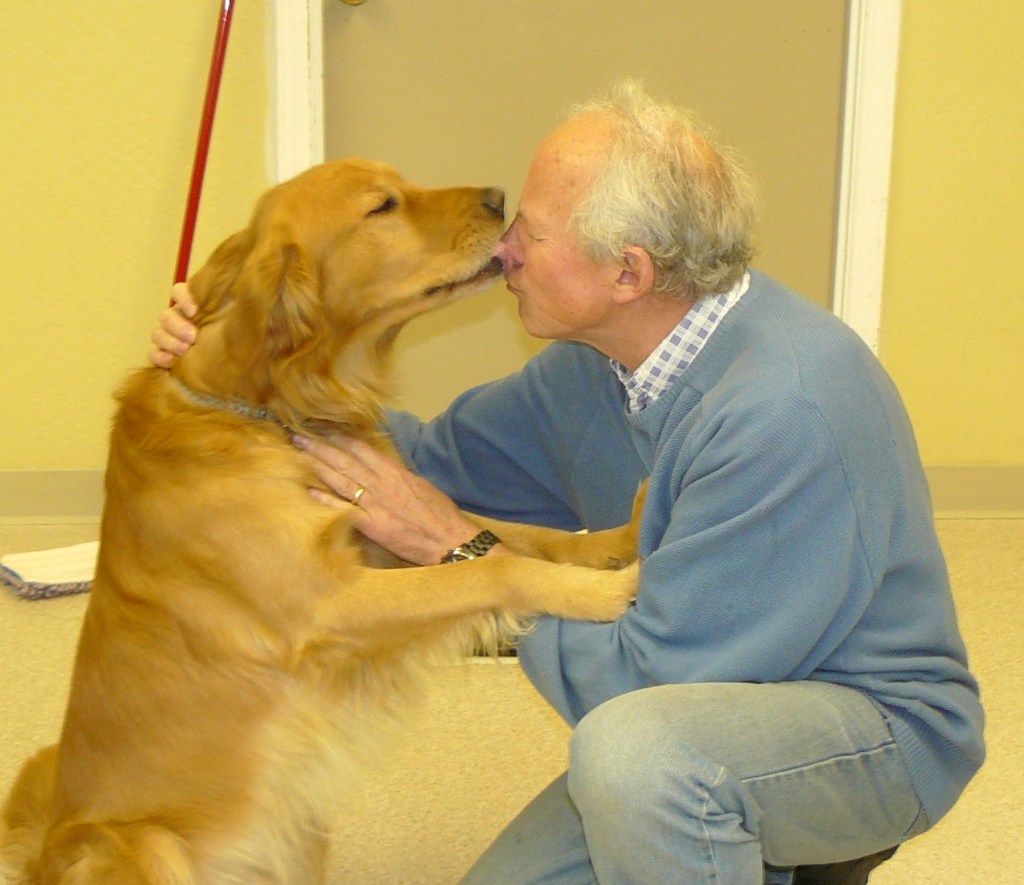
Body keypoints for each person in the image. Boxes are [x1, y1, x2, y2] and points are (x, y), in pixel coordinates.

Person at [152, 81, 984, 885]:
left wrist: (460, 550)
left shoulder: (785, 410)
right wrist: (227, 358)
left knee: (636, 756)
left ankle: (799, 843)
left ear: (628, 273)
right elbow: (419, 462)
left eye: (534, 233)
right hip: (698, 689)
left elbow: (643, 684)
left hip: (860, 726)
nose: (504, 245)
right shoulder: (596, 364)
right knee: (638, 764)